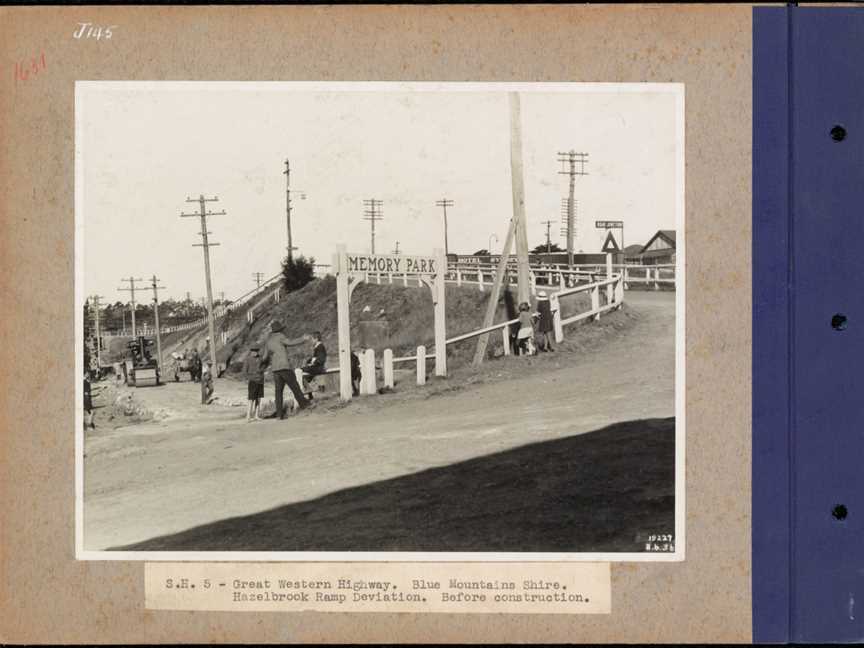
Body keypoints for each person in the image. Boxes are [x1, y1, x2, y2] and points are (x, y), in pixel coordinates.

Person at [261, 320, 311, 419]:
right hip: (284, 366)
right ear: (280, 330)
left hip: (275, 369)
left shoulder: (268, 341)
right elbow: (290, 342)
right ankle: (304, 404)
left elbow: (264, 357)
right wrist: (303, 339)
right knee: (294, 386)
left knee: (278, 392)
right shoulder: (281, 336)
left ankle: (279, 414)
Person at [242, 346, 265, 421]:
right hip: (253, 381)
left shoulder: (260, 358)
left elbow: (263, 367)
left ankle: (256, 415)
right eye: (253, 351)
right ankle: (248, 416)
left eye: (256, 351)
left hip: (260, 381)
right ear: (251, 351)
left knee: (259, 399)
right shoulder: (247, 359)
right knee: (251, 398)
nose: (255, 352)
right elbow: (244, 372)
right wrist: (249, 378)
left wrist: (262, 372)